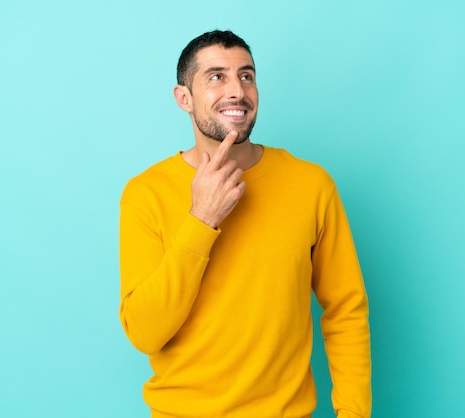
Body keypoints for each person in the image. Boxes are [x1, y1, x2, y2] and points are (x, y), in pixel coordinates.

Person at [119, 30, 371, 418]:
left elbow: (346, 310)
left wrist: (354, 413)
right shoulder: (145, 194)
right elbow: (146, 332)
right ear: (183, 98)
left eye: (247, 76)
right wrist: (201, 219)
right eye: (216, 76)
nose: (237, 90)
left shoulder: (311, 185)